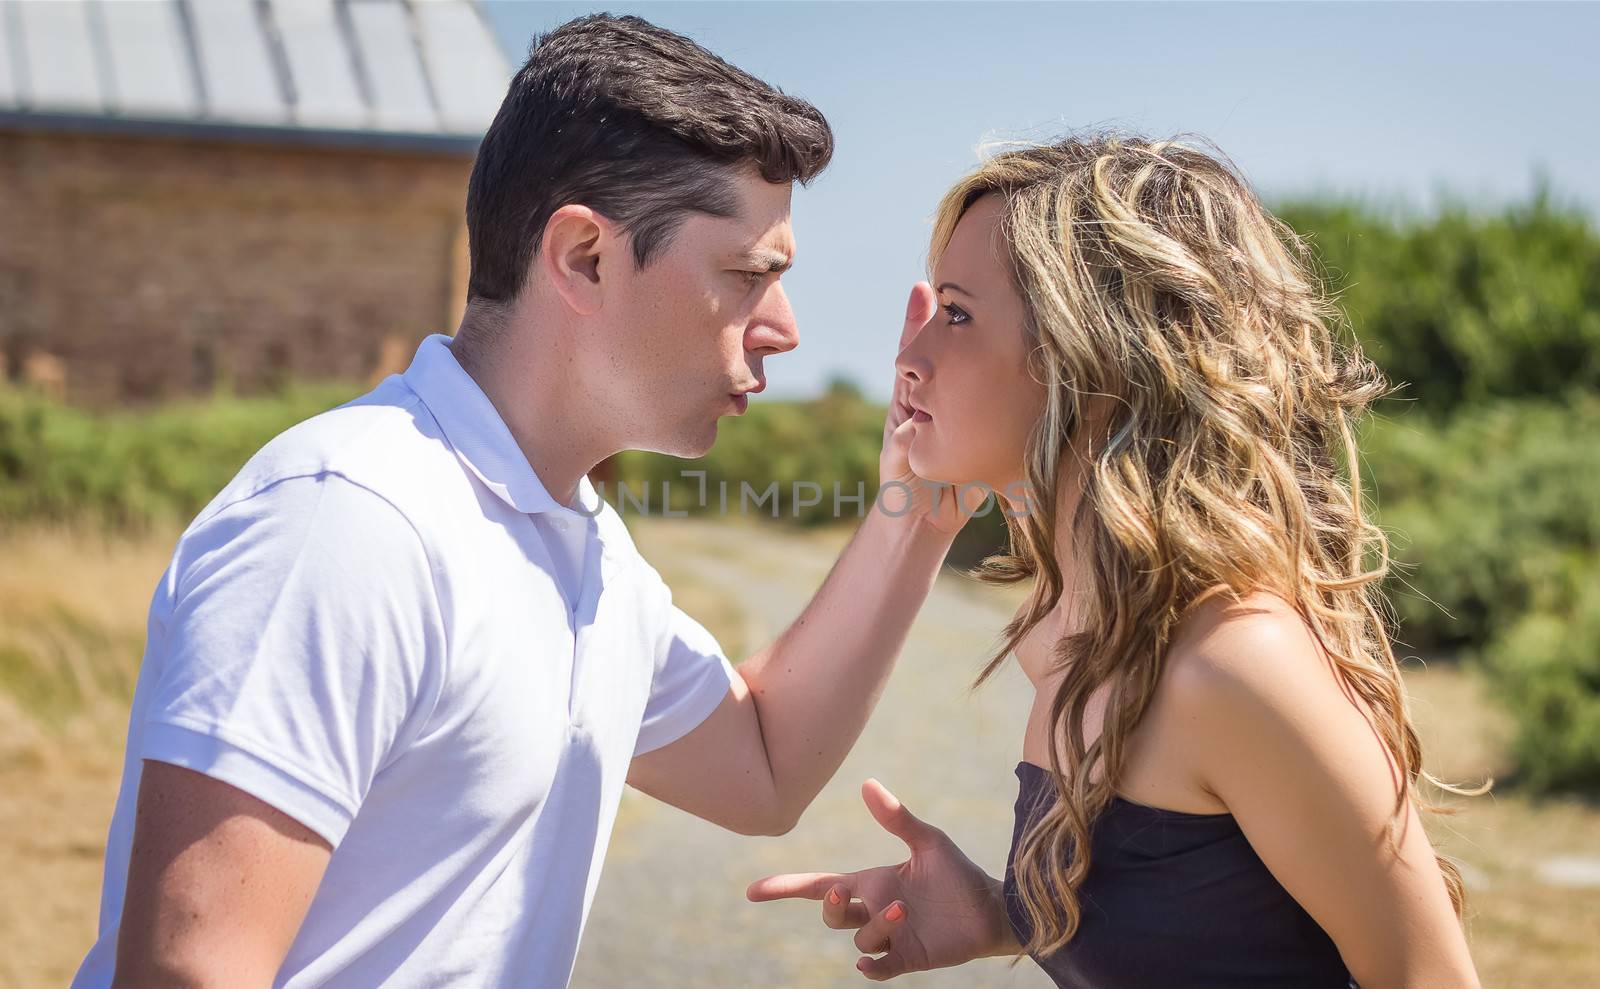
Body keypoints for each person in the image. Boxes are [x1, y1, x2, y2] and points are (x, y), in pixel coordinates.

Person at [72, 15, 976, 989]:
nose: (784, 329)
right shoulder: (351, 520)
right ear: (585, 256)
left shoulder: (582, 545)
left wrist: (917, 509)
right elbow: (189, 969)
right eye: (749, 275)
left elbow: (759, 762)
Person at [747, 134, 1487, 988]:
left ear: (1091, 361)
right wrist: (1004, 913)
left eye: (956, 314)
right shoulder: (1062, 633)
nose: (909, 359)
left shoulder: (1235, 664)